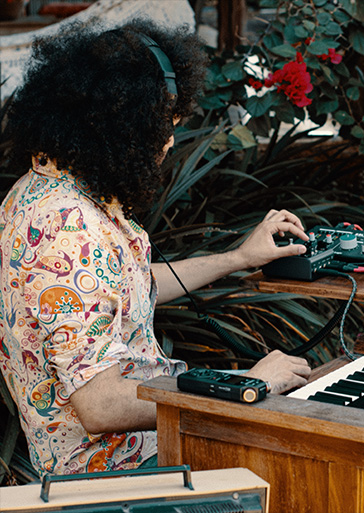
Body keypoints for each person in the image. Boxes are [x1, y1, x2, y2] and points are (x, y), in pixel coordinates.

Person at [0, 19, 311, 477]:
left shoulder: (49, 188)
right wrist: (247, 384)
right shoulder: (67, 229)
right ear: (115, 127)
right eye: (159, 125)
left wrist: (238, 258)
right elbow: (100, 406)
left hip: (149, 447)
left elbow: (119, 292)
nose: (167, 141)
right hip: (121, 475)